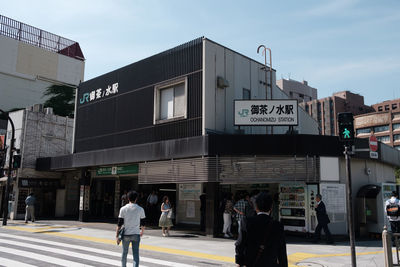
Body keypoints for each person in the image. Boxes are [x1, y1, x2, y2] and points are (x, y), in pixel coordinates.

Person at [235, 192, 288, 267]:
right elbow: (282, 251)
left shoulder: (246, 222)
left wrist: (240, 262)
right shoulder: (278, 225)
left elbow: (239, 244)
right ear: (271, 207)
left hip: (251, 263)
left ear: (256, 207)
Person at [116, 190, 146, 267]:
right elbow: (143, 223)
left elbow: (119, 224)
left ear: (128, 198)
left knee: (124, 253)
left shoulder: (123, 209)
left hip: (126, 234)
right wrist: (142, 231)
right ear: (136, 199)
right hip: (136, 234)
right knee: (136, 254)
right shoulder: (140, 209)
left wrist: (117, 236)